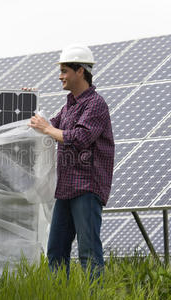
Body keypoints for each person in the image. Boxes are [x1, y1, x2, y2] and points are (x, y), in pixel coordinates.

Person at [28, 43, 114, 280]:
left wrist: (48, 129)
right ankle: (59, 292)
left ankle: (93, 294)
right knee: (56, 250)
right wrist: (28, 103)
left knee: (88, 250)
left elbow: (80, 138)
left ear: (80, 71)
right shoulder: (70, 105)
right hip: (66, 188)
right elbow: (47, 125)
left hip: (87, 187)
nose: (60, 76)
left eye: (65, 70)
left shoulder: (96, 104)